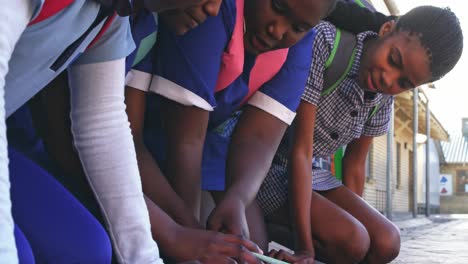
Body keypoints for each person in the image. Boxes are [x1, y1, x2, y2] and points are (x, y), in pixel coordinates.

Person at [0, 0, 220, 263]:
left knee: (86, 250)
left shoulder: (112, 17)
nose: (215, 9)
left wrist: (146, 258)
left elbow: (102, 124)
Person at [253, 5, 463, 263]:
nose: (390, 80)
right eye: (393, 60)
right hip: (264, 166)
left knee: (386, 241)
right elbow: (300, 150)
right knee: (352, 240)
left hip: (312, 174)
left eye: (404, 83)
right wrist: (305, 247)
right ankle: (264, 226)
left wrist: (356, 222)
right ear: (386, 29)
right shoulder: (327, 44)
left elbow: (354, 166)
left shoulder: (382, 97)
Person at [125, 0, 334, 252]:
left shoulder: (299, 44)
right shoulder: (208, 9)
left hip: (204, 149)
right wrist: (191, 237)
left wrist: (238, 198)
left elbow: (258, 138)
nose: (277, 31)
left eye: (298, 27)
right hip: (145, 141)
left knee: (251, 243)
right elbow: (183, 141)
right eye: (277, 7)